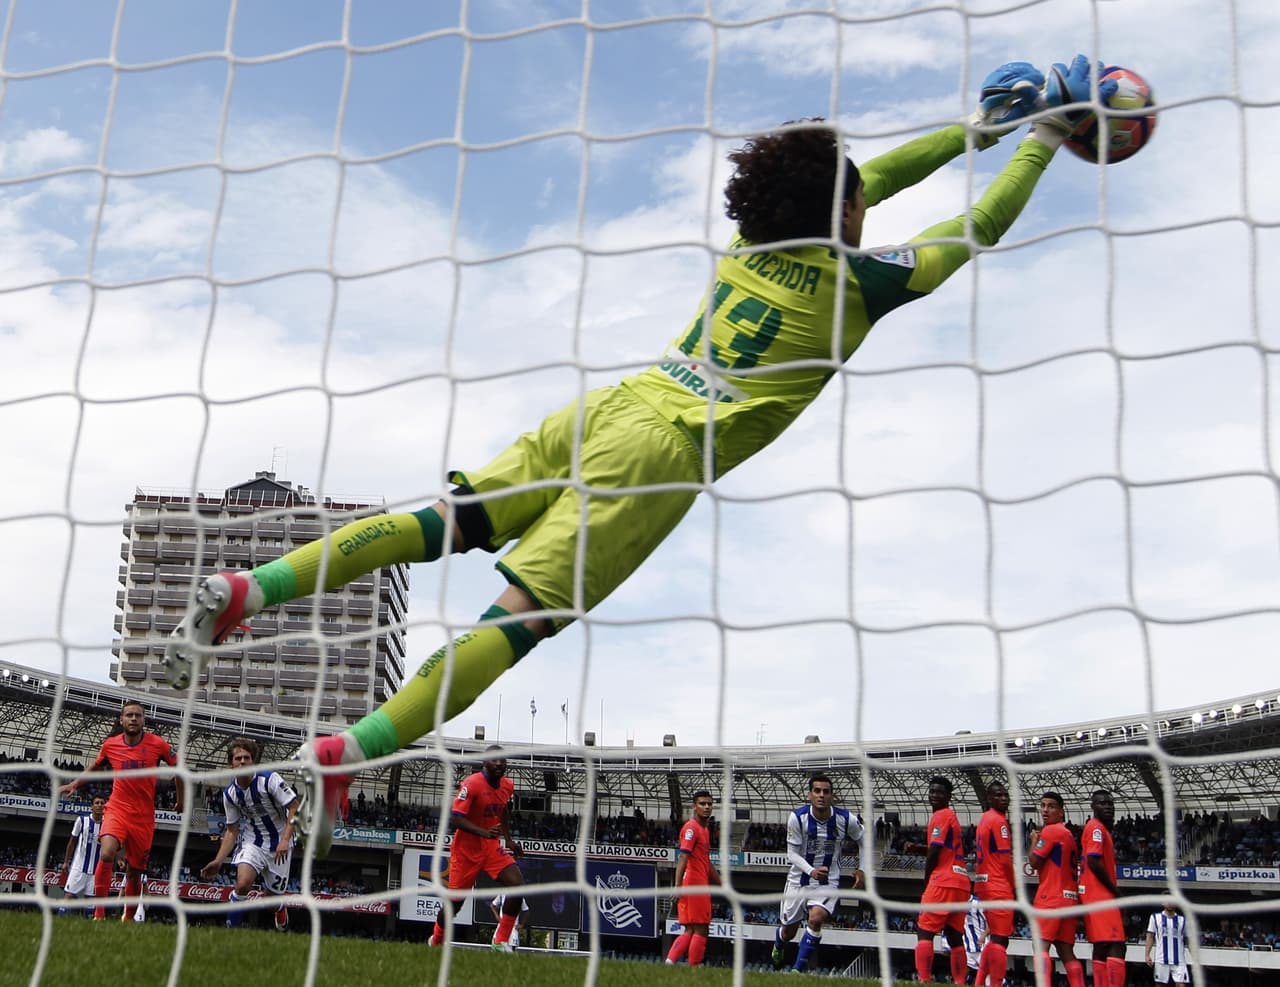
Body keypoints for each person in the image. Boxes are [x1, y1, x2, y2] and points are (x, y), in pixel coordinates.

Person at [161, 56, 1118, 853]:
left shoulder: (748, 244)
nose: (869, 196)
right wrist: (1039, 140)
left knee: (437, 523)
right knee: (518, 620)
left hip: (609, 405)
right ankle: (347, 754)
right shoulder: (860, 284)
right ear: (847, 212)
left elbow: (863, 183)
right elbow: (977, 226)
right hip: (659, 457)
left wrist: (972, 128)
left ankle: (251, 590)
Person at [57, 700, 183, 920]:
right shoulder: (111, 745)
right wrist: (75, 784)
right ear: (121, 719)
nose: (133, 718)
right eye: (129, 715)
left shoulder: (158, 744)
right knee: (106, 853)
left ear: (144, 720)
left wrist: (181, 800)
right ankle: (99, 914)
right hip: (117, 809)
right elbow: (96, 766)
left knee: (134, 871)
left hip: (143, 817)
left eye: (138, 715)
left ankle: (128, 918)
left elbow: (179, 769)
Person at [429, 746, 525, 952]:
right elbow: (456, 818)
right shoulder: (471, 784)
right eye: (493, 760)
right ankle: (436, 940)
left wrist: (508, 840)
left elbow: (503, 810)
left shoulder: (507, 786)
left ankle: (500, 941)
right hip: (466, 851)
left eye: (502, 760)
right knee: (454, 904)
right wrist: (483, 832)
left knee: (517, 885)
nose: (499, 763)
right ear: (484, 762)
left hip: (491, 847)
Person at [199, 736, 300, 932]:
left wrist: (286, 840)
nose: (243, 762)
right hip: (253, 841)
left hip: (281, 843)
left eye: (247, 758)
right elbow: (231, 830)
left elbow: (295, 808)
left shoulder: (270, 779)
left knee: (270, 901)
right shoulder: (230, 794)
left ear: (253, 761)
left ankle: (280, 907)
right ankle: (230, 932)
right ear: (231, 764)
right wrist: (218, 861)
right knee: (243, 884)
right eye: (238, 759)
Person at [771, 774, 866, 973]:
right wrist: (811, 871)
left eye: (826, 791)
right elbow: (791, 854)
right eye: (817, 791)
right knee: (789, 931)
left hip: (827, 882)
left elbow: (865, 841)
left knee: (816, 919)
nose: (821, 795)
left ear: (832, 795)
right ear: (810, 795)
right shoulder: (797, 817)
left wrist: (862, 869)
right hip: (799, 880)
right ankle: (779, 944)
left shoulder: (846, 819)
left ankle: (797, 971)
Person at [910, 776, 970, 983]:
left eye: (940, 792)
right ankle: (961, 982)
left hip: (942, 881)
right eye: (932, 791)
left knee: (924, 931)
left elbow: (935, 852)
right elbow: (943, 849)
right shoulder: (951, 817)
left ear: (948, 796)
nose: (935, 795)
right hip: (961, 882)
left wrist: (927, 881)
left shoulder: (940, 816)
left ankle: (923, 979)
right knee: (954, 936)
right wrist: (918, 848)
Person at [1028, 791, 1084, 987]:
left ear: (1061, 811)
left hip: (1050, 897)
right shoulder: (1068, 834)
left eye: (1051, 806)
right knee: (1066, 950)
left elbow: (1034, 862)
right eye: (1042, 805)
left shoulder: (1051, 831)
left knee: (1040, 946)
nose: (1045, 810)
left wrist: (1034, 840)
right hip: (1069, 899)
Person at [666, 790, 721, 967]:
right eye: (702, 804)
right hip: (693, 885)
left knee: (690, 929)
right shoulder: (691, 828)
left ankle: (669, 962)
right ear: (694, 806)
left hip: (697, 884)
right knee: (702, 928)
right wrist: (677, 885)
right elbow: (683, 857)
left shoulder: (703, 829)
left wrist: (721, 883)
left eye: (709, 804)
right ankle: (693, 968)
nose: (706, 807)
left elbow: (706, 861)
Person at [1080, 790, 1126, 987]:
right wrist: (1115, 891)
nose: (1108, 807)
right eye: (1102, 803)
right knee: (1117, 944)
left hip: (1091, 894)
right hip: (1100, 895)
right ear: (1093, 807)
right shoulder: (1096, 828)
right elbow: (1093, 861)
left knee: (1101, 945)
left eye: (1110, 803)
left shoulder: (1098, 828)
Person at [973, 781, 1016, 987]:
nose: (1003, 798)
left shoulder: (983, 819)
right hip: (998, 883)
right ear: (989, 799)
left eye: (1005, 795)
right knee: (1001, 938)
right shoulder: (999, 821)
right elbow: (1006, 859)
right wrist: (1013, 886)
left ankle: (980, 982)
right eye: (998, 795)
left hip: (984, 883)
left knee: (995, 937)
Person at [58, 795, 105, 915]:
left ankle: (88, 929)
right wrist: (65, 862)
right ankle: (60, 921)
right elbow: (72, 842)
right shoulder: (82, 820)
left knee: (91, 901)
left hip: (96, 870)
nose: (99, 805)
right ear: (91, 806)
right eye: (97, 803)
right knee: (68, 895)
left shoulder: (107, 824)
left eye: (102, 803)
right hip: (78, 867)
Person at [1145, 901, 1189, 986]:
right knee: (1159, 984)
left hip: (1179, 959)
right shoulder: (1155, 917)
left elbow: (1189, 939)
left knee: (1181, 984)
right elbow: (1150, 935)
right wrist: (1147, 954)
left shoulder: (1182, 920)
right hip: (1161, 958)